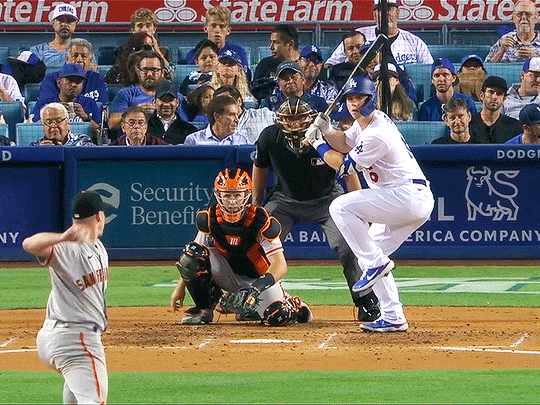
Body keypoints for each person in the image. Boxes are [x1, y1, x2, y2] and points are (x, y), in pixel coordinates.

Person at [305, 75, 434, 332]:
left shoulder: (378, 133)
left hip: (405, 196)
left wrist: (317, 142)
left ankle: (377, 264)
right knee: (369, 253)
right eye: (350, 99)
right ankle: (393, 316)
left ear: (371, 98)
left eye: (359, 98)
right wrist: (328, 130)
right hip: (402, 198)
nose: (354, 104)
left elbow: (345, 167)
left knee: (340, 207)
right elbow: (344, 142)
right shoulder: (368, 123)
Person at [252, 97, 381, 322]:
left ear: (310, 118)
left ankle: (365, 299)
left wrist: (360, 212)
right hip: (285, 200)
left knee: (351, 244)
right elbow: (260, 167)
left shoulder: (327, 138)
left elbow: (349, 172)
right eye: (289, 119)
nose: (294, 124)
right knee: (256, 242)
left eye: (299, 118)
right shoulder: (269, 137)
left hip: (327, 199)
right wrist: (256, 205)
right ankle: (257, 301)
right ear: (280, 121)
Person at [170, 168, 312, 326]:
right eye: (227, 195)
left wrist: (256, 289)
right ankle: (204, 309)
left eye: (237, 195)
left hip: (259, 280)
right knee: (192, 252)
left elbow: (280, 265)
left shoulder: (260, 221)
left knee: (278, 316)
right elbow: (192, 256)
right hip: (227, 275)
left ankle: (293, 306)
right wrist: (180, 288)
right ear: (219, 195)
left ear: (246, 195)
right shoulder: (209, 219)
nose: (232, 201)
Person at [22, 190, 109, 404]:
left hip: (61, 337)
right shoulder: (68, 248)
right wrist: (62, 237)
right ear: (99, 216)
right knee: (95, 401)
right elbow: (28, 244)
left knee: (76, 394)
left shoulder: (98, 247)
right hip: (75, 340)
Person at [325, 0, 433, 68]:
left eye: (389, 9)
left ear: (398, 13)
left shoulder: (414, 41)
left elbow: (429, 69)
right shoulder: (359, 35)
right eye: (381, 10)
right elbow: (330, 64)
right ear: (374, 15)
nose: (386, 14)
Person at [108, 50, 187, 131]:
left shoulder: (176, 97)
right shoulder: (125, 94)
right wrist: (135, 111)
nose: (149, 74)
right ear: (138, 72)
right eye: (145, 70)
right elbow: (112, 124)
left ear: (162, 72)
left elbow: (184, 125)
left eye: (154, 70)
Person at [32, 64, 101, 137]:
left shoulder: (90, 103)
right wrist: (53, 113)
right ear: (59, 83)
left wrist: (86, 117)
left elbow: (99, 133)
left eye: (78, 82)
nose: (74, 85)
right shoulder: (44, 103)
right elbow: (32, 129)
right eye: (70, 81)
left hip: (82, 145)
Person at [38, 38, 108, 105]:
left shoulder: (97, 79)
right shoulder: (50, 79)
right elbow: (46, 106)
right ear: (67, 58)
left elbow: (103, 106)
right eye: (75, 55)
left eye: (84, 56)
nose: (79, 60)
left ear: (90, 60)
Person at [184, 7, 249, 69]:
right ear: (206, 28)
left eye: (222, 26)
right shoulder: (194, 54)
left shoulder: (239, 52)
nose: (217, 30)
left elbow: (246, 76)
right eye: (213, 26)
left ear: (228, 31)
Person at [252, 24, 300, 101]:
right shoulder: (265, 64)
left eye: (276, 42)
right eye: (271, 42)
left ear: (290, 44)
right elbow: (256, 92)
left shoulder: (306, 66)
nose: (271, 47)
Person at [469, 76, 522, 143]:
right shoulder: (469, 124)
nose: (494, 97)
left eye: (499, 94)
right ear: (482, 95)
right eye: (491, 92)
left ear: (504, 99)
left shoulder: (514, 126)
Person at [260, 61, 328, 112]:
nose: (290, 81)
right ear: (279, 84)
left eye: (294, 77)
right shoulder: (269, 104)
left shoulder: (318, 103)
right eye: (285, 78)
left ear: (303, 80)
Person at [30, 3, 78, 71]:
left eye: (69, 21)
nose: (64, 24)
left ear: (75, 25)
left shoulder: (83, 52)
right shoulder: (37, 51)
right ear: (53, 24)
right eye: (60, 21)